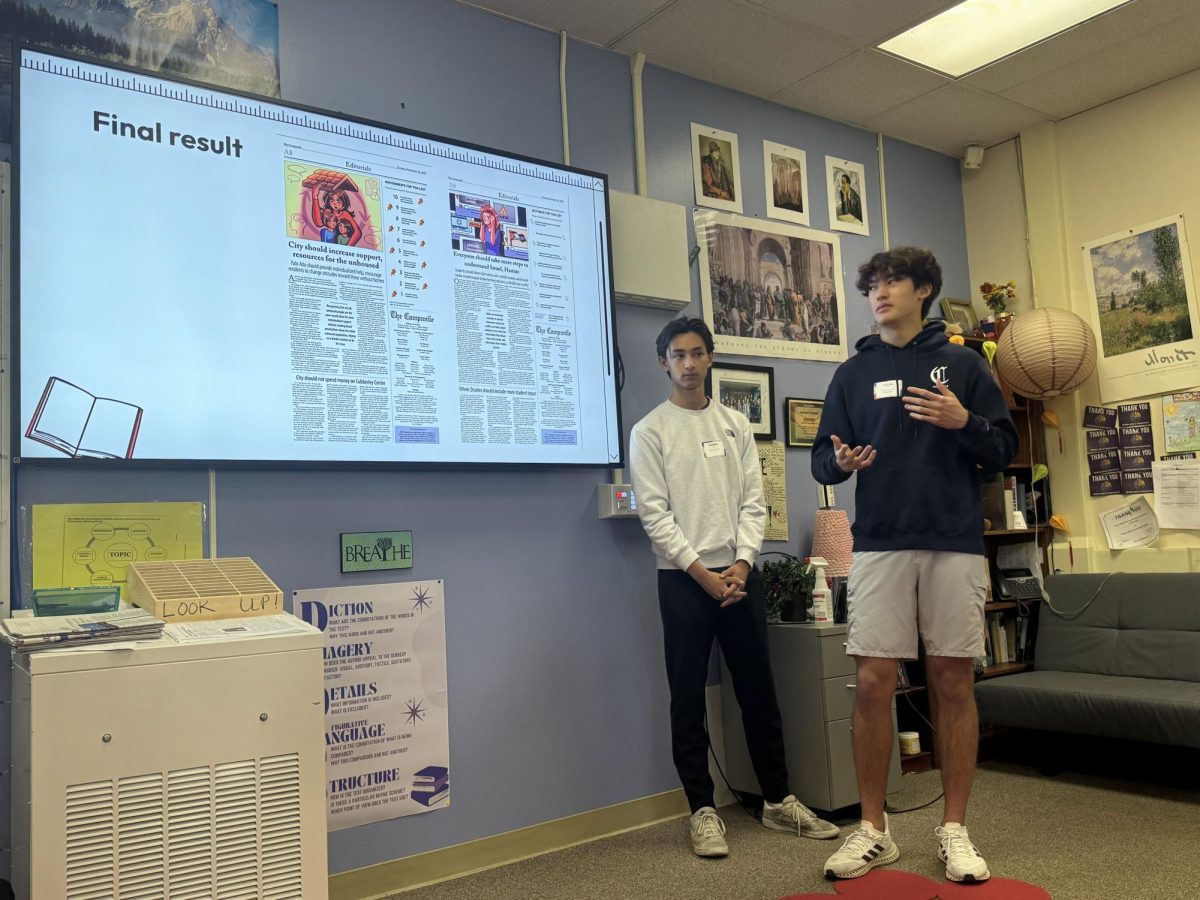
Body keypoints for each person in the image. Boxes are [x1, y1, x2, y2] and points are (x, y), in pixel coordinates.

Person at [811, 247, 1017, 883]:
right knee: (873, 683)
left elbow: (1004, 448)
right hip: (877, 543)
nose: (880, 292)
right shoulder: (851, 374)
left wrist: (964, 421)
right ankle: (873, 829)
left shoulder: (963, 363)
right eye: (872, 284)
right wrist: (841, 464)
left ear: (924, 288)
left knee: (952, 681)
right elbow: (823, 461)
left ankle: (954, 828)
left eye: (893, 280)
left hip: (953, 540)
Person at [630, 316, 840, 858]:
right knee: (686, 697)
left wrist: (743, 566)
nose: (690, 364)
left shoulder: (735, 425)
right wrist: (703, 574)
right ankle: (701, 809)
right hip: (683, 581)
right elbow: (654, 517)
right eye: (679, 355)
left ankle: (777, 799)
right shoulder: (650, 431)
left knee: (758, 692)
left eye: (699, 353)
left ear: (711, 358)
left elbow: (755, 503)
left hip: (741, 578)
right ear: (664, 362)